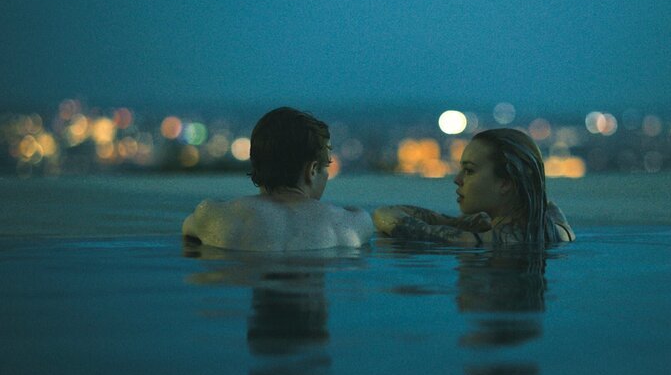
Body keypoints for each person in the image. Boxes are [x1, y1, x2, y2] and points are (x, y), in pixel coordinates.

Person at [182, 107, 373, 251]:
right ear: (312, 170)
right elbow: (378, 219)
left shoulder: (214, 215)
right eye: (325, 168)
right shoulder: (349, 223)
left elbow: (188, 229)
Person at [372, 128, 575, 248]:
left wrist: (461, 224)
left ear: (506, 183)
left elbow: (386, 215)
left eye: (469, 171)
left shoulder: (482, 240)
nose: (457, 179)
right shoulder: (555, 223)